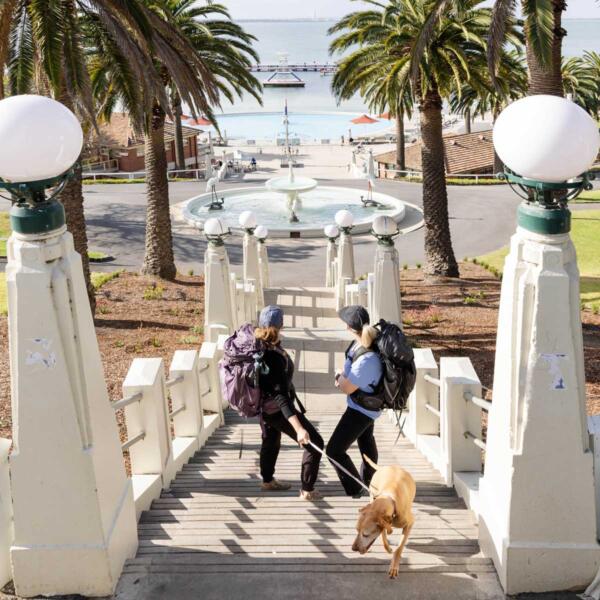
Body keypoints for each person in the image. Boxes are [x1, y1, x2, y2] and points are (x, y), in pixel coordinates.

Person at [256, 305, 324, 500]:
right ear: (282, 325)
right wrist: (299, 428)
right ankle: (307, 489)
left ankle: (267, 480)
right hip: (276, 408)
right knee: (315, 442)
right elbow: (281, 396)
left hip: (264, 406)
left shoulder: (261, 345)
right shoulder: (272, 356)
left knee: (270, 440)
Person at [326, 305, 383, 498]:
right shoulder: (360, 344)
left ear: (350, 328)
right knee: (366, 442)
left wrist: (339, 378)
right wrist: (344, 377)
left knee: (334, 450)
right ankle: (371, 480)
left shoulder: (368, 359)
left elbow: (348, 387)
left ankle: (356, 487)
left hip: (361, 411)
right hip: (364, 407)